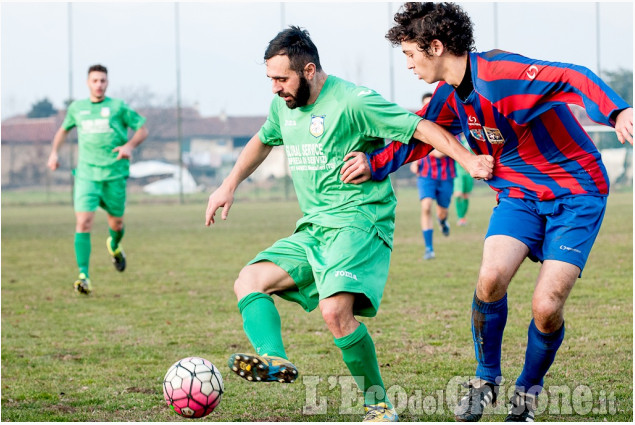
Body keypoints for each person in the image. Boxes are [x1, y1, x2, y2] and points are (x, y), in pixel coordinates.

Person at [339, 2, 633, 422]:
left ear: (435, 46)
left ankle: (527, 396)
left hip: (577, 194)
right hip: (518, 194)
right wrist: (374, 163)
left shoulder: (504, 76)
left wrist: (617, 110)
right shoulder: (447, 95)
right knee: (490, 278)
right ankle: (484, 381)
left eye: (409, 53)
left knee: (546, 307)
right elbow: (421, 136)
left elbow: (572, 76)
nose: (407, 64)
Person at [205, 26, 493, 422]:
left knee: (334, 310)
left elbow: (420, 127)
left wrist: (467, 159)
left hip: (360, 220)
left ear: (308, 70)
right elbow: (263, 139)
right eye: (270, 79)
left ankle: (378, 405)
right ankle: (274, 358)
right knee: (249, 280)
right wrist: (228, 184)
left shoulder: (354, 102)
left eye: (281, 79)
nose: (275, 88)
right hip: (314, 228)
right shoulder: (282, 107)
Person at [47, 64, 148, 295]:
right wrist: (54, 152)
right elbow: (63, 131)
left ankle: (114, 245)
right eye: (95, 81)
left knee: (117, 225)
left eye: (102, 80)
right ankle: (84, 276)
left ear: (107, 83)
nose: (99, 85)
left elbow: (142, 128)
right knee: (83, 223)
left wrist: (129, 145)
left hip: (114, 175)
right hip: (86, 175)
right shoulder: (77, 108)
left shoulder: (118, 107)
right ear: (88, 83)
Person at [412, 92, 456, 260]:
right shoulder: (418, 125)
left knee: (442, 211)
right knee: (426, 207)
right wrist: (415, 162)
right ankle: (429, 248)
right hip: (426, 174)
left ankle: (443, 221)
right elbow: (412, 147)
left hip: (446, 175)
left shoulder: (450, 124)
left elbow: (443, 151)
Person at [453, 133, 474, 226]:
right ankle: (459, 216)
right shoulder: (455, 138)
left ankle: (463, 218)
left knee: (465, 195)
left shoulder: (471, 138)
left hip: (469, 172)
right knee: (458, 194)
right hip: (458, 172)